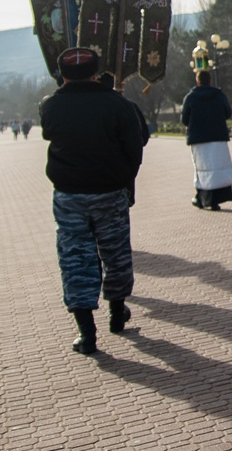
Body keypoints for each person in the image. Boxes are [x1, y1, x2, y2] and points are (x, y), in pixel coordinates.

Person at [39, 46, 150, 355]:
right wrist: (124, 178)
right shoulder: (117, 105)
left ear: (61, 75)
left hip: (69, 194)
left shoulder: (51, 106)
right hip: (109, 191)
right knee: (115, 253)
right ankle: (117, 311)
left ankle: (86, 332)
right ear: (97, 72)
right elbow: (135, 146)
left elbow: (50, 131)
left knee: (75, 258)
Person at [181, 65, 232, 208]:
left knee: (202, 168)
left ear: (198, 82)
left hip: (198, 138)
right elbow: (227, 113)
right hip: (218, 136)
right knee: (218, 167)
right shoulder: (219, 95)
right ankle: (217, 200)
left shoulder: (190, 97)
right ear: (210, 81)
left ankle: (201, 198)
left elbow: (184, 119)